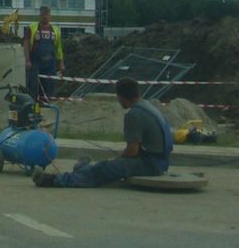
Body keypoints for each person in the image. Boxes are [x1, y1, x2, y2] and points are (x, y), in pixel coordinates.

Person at [33, 77, 173, 187]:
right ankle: (83, 169)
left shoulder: (134, 114)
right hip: (161, 160)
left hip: (150, 164)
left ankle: (55, 180)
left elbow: (132, 151)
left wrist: (116, 159)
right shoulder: (147, 106)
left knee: (104, 169)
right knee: (107, 165)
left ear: (120, 96)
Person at [23, 5, 64, 103]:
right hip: (35, 62)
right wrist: (27, 60)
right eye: (43, 14)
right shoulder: (32, 28)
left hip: (50, 63)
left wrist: (61, 63)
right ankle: (32, 104)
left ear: (50, 16)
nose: (45, 17)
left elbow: (59, 48)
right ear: (40, 15)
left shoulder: (55, 30)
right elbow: (26, 44)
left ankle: (46, 104)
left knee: (49, 85)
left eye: (47, 14)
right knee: (33, 85)